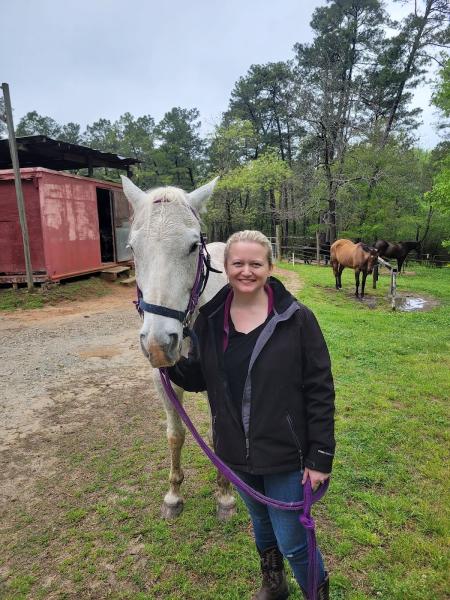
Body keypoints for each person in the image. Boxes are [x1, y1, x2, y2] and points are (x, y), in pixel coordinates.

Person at [168, 230, 335, 600]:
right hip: (234, 451)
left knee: (293, 539)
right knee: (261, 524)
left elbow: (320, 388)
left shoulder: (297, 319)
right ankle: (274, 585)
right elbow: (199, 377)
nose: (246, 271)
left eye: (255, 263)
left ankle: (315, 593)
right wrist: (170, 363)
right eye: (238, 263)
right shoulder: (209, 320)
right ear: (225, 268)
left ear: (269, 267)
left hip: (286, 454)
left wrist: (320, 455)